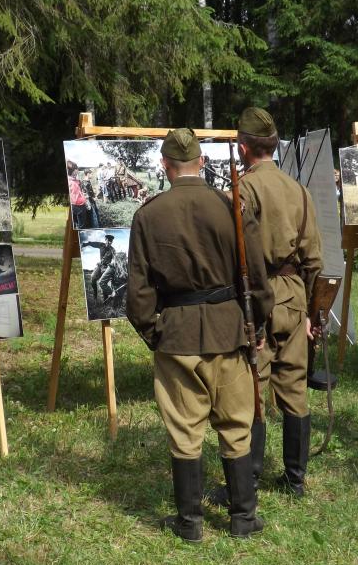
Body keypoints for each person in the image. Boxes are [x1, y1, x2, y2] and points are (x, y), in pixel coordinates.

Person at [127, 128, 273, 542]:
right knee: (236, 425)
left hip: (177, 335)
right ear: (202, 163)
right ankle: (243, 517)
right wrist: (257, 325)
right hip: (230, 332)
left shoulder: (148, 215)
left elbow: (138, 293)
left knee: (184, 430)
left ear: (164, 166)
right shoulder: (231, 207)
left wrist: (155, 332)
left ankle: (189, 523)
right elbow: (258, 278)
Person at [207, 107, 323, 504]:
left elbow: (229, 255)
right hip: (293, 297)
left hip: (254, 300)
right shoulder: (299, 190)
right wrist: (309, 311)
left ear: (243, 148)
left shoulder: (242, 192)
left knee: (251, 388)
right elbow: (314, 259)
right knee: (294, 387)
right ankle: (295, 480)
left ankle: (250, 477)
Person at [83, 234, 118, 302]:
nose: (110, 242)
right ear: (106, 240)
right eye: (109, 240)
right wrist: (86, 244)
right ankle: (95, 295)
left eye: (111, 241)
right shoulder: (101, 245)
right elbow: (92, 243)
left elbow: (114, 259)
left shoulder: (113, 250)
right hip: (100, 266)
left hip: (107, 267)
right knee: (93, 277)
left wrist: (111, 264)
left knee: (103, 282)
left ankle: (105, 299)